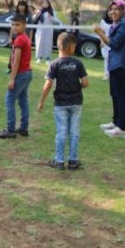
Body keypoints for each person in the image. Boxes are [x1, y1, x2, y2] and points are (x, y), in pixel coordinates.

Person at [37, 32, 89, 170]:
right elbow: (85, 83)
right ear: (71, 47)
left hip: (60, 104)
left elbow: (48, 84)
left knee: (61, 132)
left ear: (59, 46)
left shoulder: (54, 64)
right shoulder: (78, 63)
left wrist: (41, 101)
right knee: (74, 132)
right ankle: (73, 161)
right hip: (76, 102)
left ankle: (59, 161)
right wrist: (78, 85)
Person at [94, 0, 125, 139]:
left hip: (120, 64)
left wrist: (100, 33)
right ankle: (116, 122)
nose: (113, 12)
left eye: (116, 9)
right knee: (115, 94)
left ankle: (122, 128)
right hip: (114, 63)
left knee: (121, 96)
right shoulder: (117, 24)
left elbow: (115, 44)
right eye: (111, 9)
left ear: (123, 10)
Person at [0, 14, 33, 139]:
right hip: (27, 73)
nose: (15, 27)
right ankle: (23, 128)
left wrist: (12, 79)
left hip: (21, 74)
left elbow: (16, 61)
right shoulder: (24, 38)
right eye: (13, 25)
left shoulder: (20, 40)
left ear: (24, 25)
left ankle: (11, 130)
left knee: (9, 99)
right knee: (23, 101)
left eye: (17, 25)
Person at [33, 0, 59, 64]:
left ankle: (47, 59)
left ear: (49, 4)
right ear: (42, 4)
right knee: (39, 43)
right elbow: (33, 19)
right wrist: (36, 14)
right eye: (44, 3)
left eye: (47, 3)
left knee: (48, 44)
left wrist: (51, 17)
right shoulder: (40, 11)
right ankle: (39, 58)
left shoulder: (51, 11)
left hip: (48, 31)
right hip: (40, 31)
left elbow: (57, 21)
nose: (45, 4)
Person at [99, 11, 112, 80]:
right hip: (105, 41)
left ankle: (113, 75)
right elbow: (101, 32)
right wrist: (101, 41)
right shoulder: (103, 21)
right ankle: (106, 74)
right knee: (106, 58)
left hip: (114, 41)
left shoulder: (117, 21)